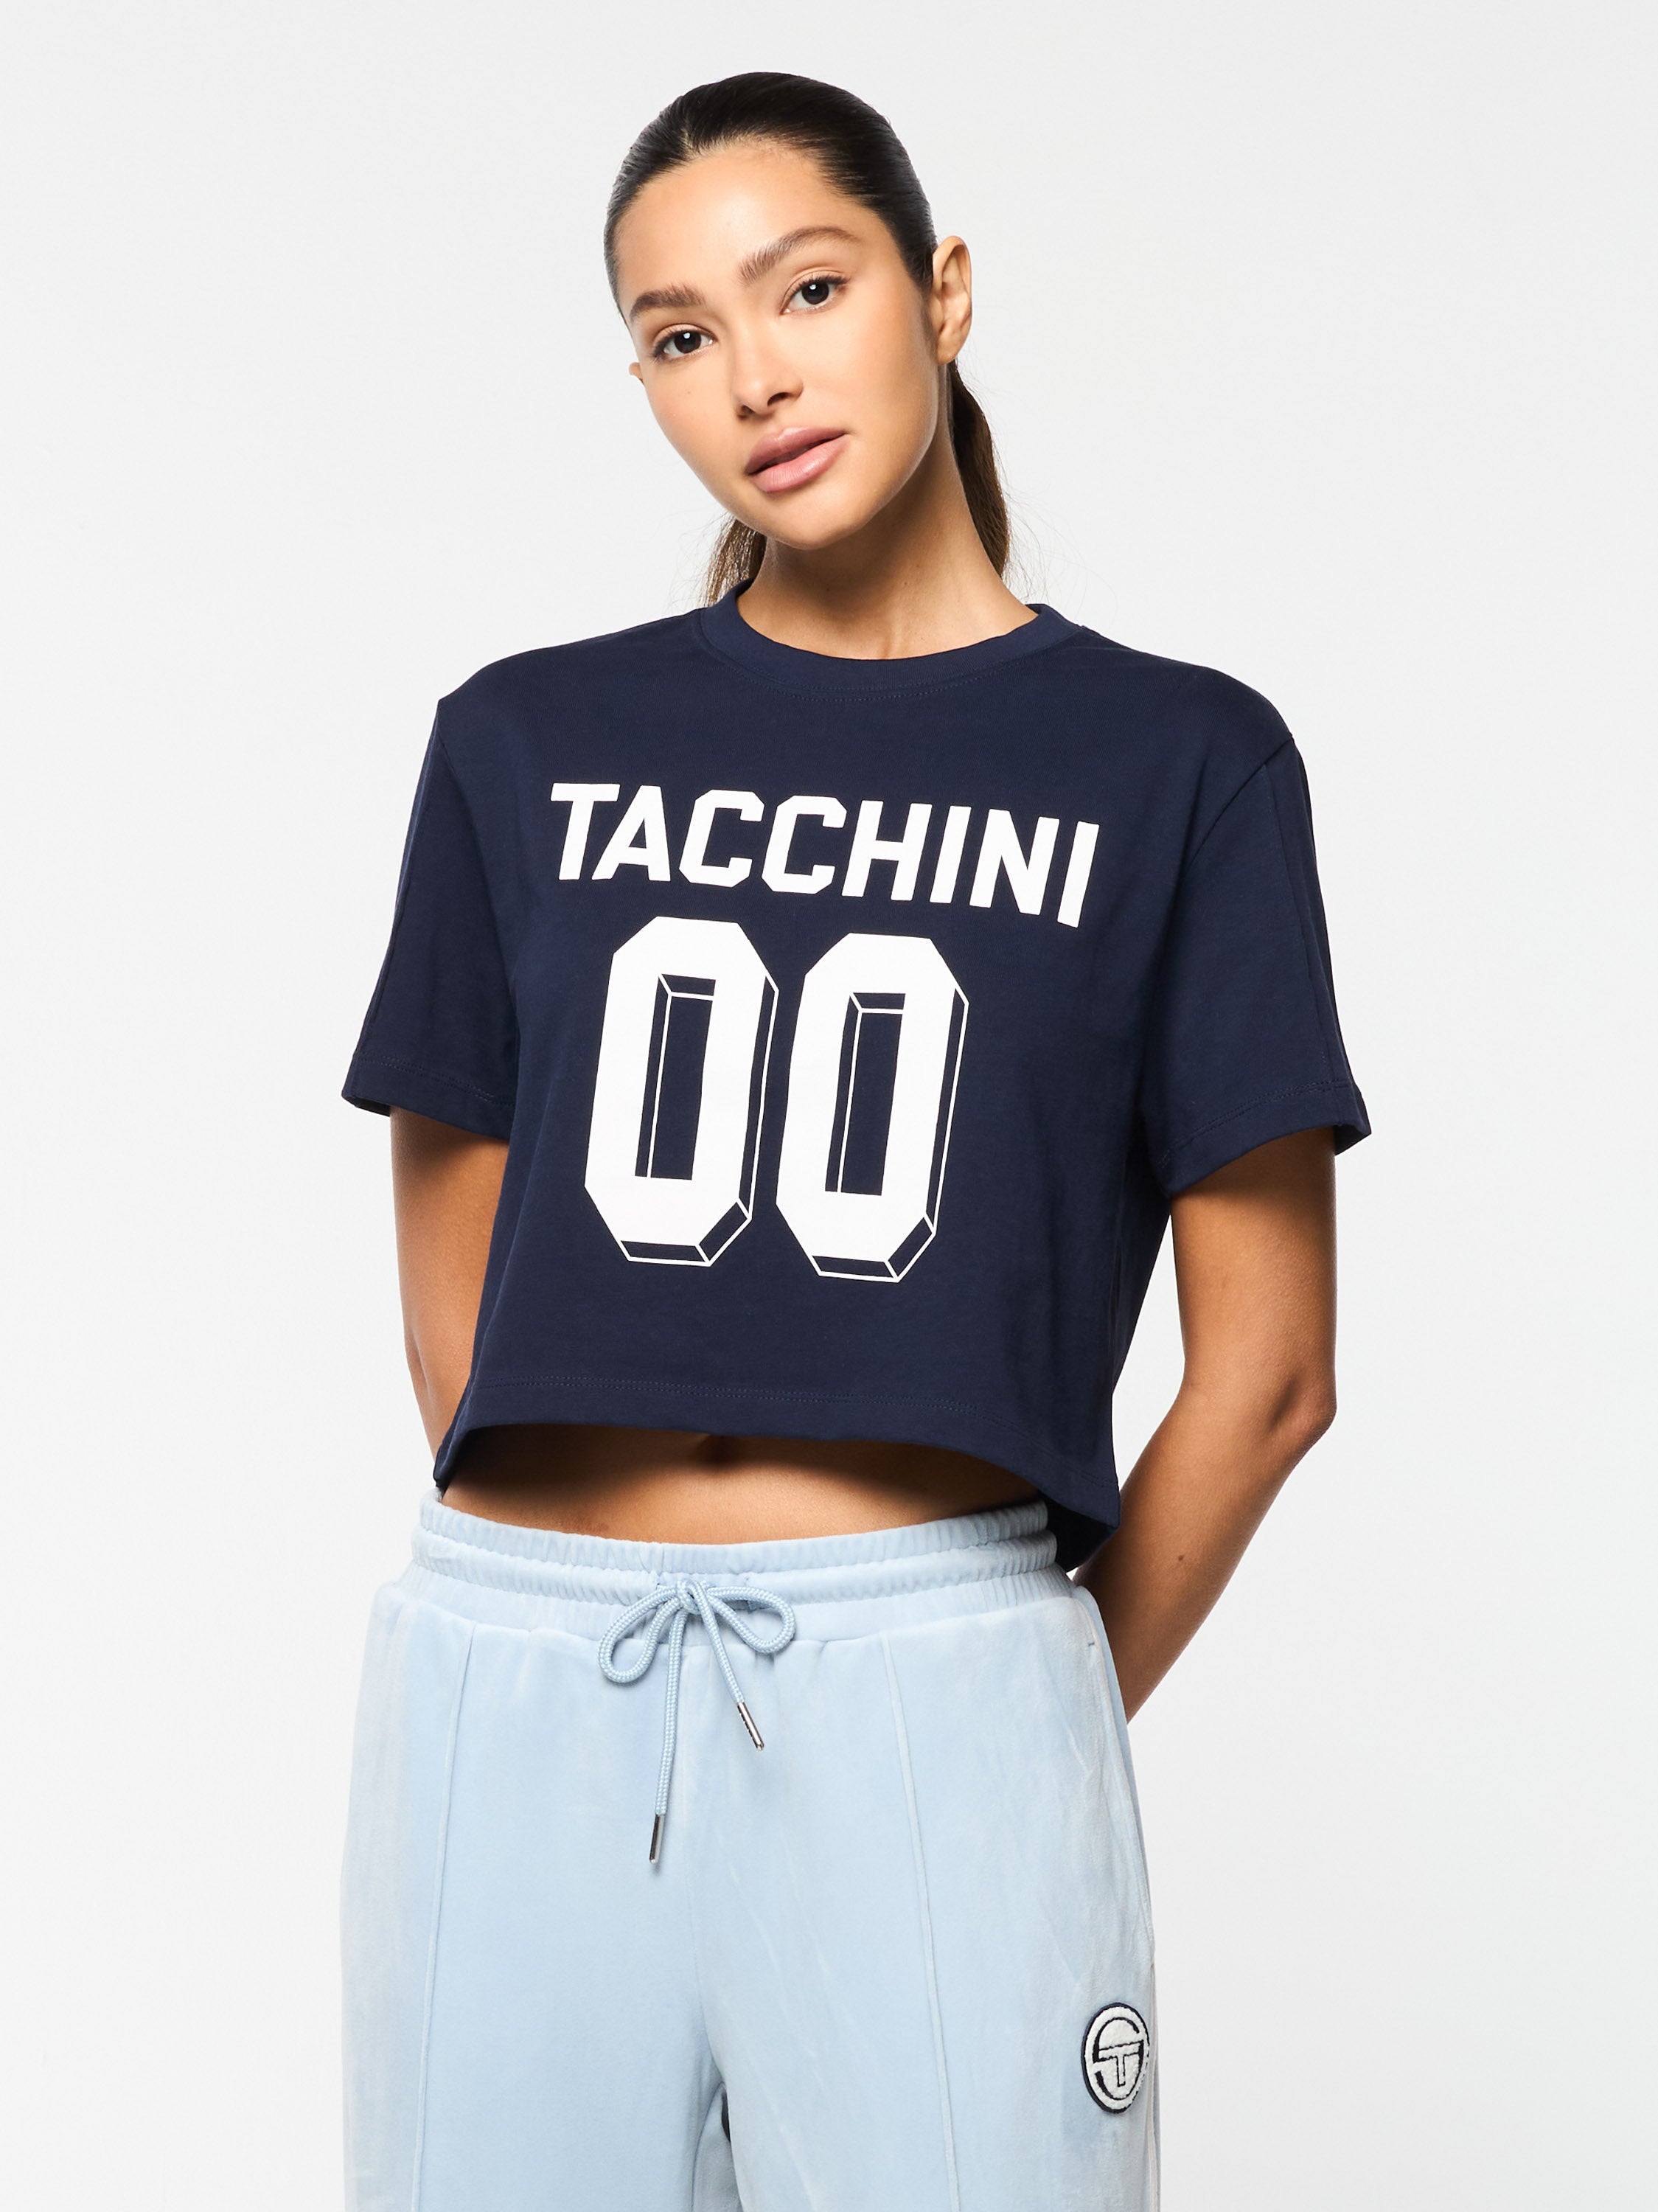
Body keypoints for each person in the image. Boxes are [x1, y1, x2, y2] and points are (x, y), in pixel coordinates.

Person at [338, 71, 1368, 2212]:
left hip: (936, 1675)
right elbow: (459, 1298)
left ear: (942, 288)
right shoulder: (521, 741)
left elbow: (1268, 1373)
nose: (755, 375)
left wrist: (1002, 1699)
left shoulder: (1180, 762)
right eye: (679, 334)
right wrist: (577, 1602)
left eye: (805, 288)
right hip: (514, 1673)